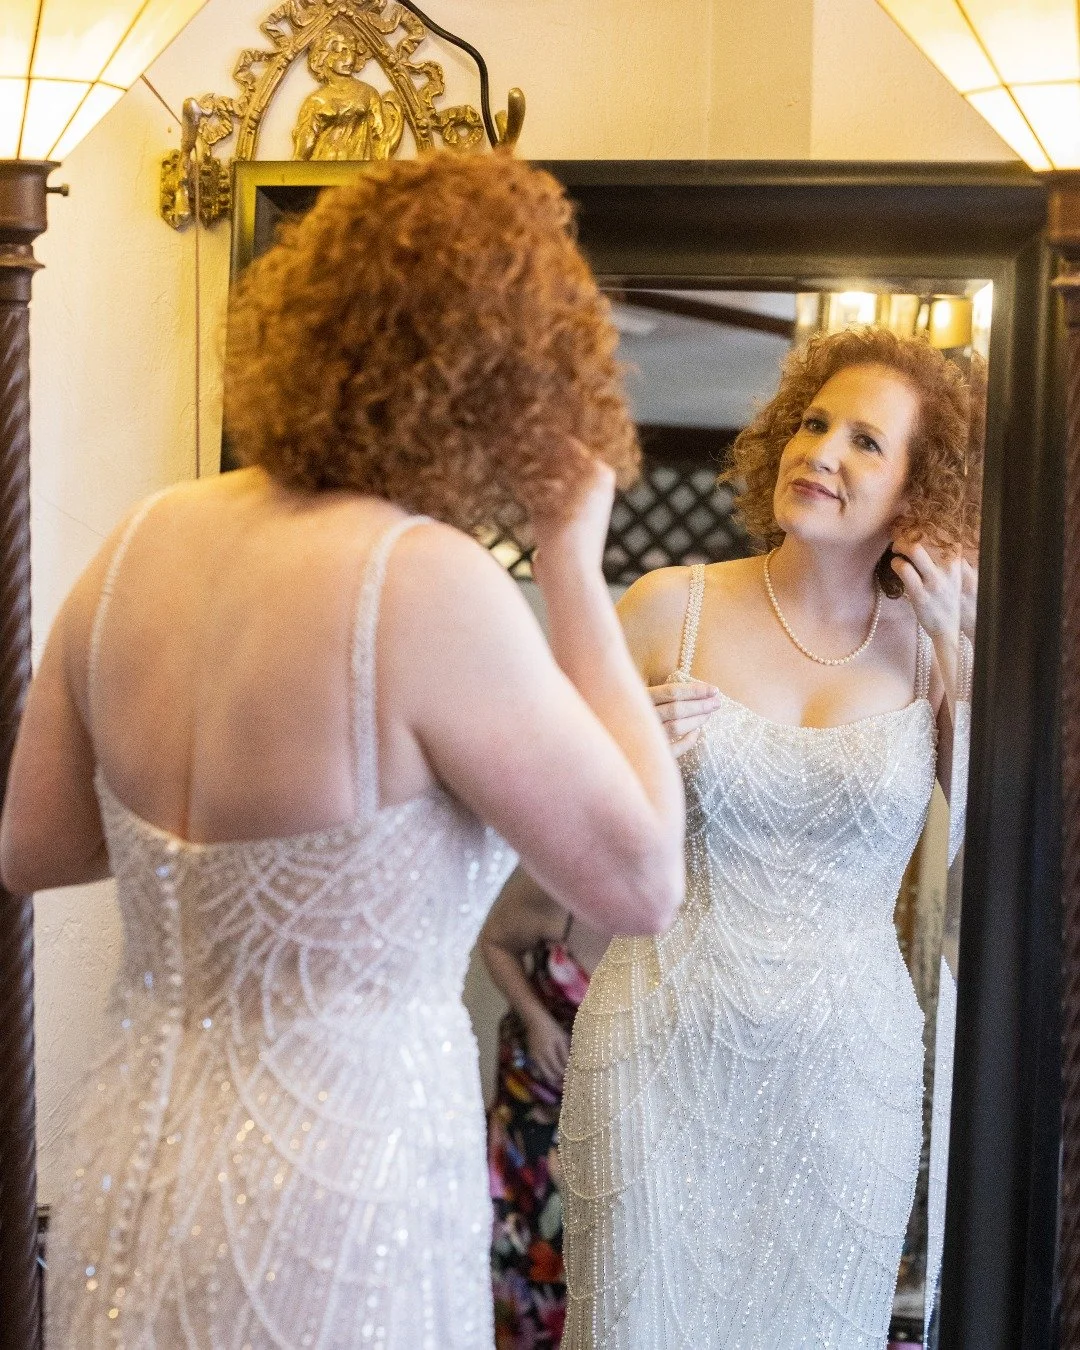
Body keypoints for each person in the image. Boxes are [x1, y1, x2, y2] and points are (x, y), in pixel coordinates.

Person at [0, 152, 686, 1349]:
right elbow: (643, 882)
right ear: (510, 376)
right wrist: (572, 565)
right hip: (339, 1183)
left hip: (134, 1156)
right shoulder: (420, 583)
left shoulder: (140, 542)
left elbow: (35, 844)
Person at [559, 326, 977, 1349]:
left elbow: (995, 848)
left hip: (846, 1077)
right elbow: (554, 841)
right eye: (813, 421)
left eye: (866, 442)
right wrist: (622, 756)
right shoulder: (671, 609)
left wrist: (965, 657)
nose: (820, 451)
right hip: (658, 1053)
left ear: (919, 493)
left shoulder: (935, 652)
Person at [479, 870, 610, 1348]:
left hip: (608, 1119)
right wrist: (536, 1020)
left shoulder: (676, 899)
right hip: (532, 1105)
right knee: (517, 1254)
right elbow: (495, 942)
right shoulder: (559, 882)